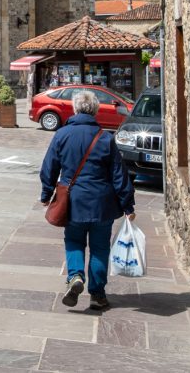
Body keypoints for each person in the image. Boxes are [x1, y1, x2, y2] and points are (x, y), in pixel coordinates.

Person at [40, 89, 135, 310]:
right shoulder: (105, 138)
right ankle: (97, 295)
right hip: (102, 204)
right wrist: (128, 204)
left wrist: (46, 194)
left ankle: (75, 276)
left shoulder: (62, 135)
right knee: (100, 247)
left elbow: (49, 167)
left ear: (75, 109)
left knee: (74, 240)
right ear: (95, 111)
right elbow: (119, 175)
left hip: (73, 201)